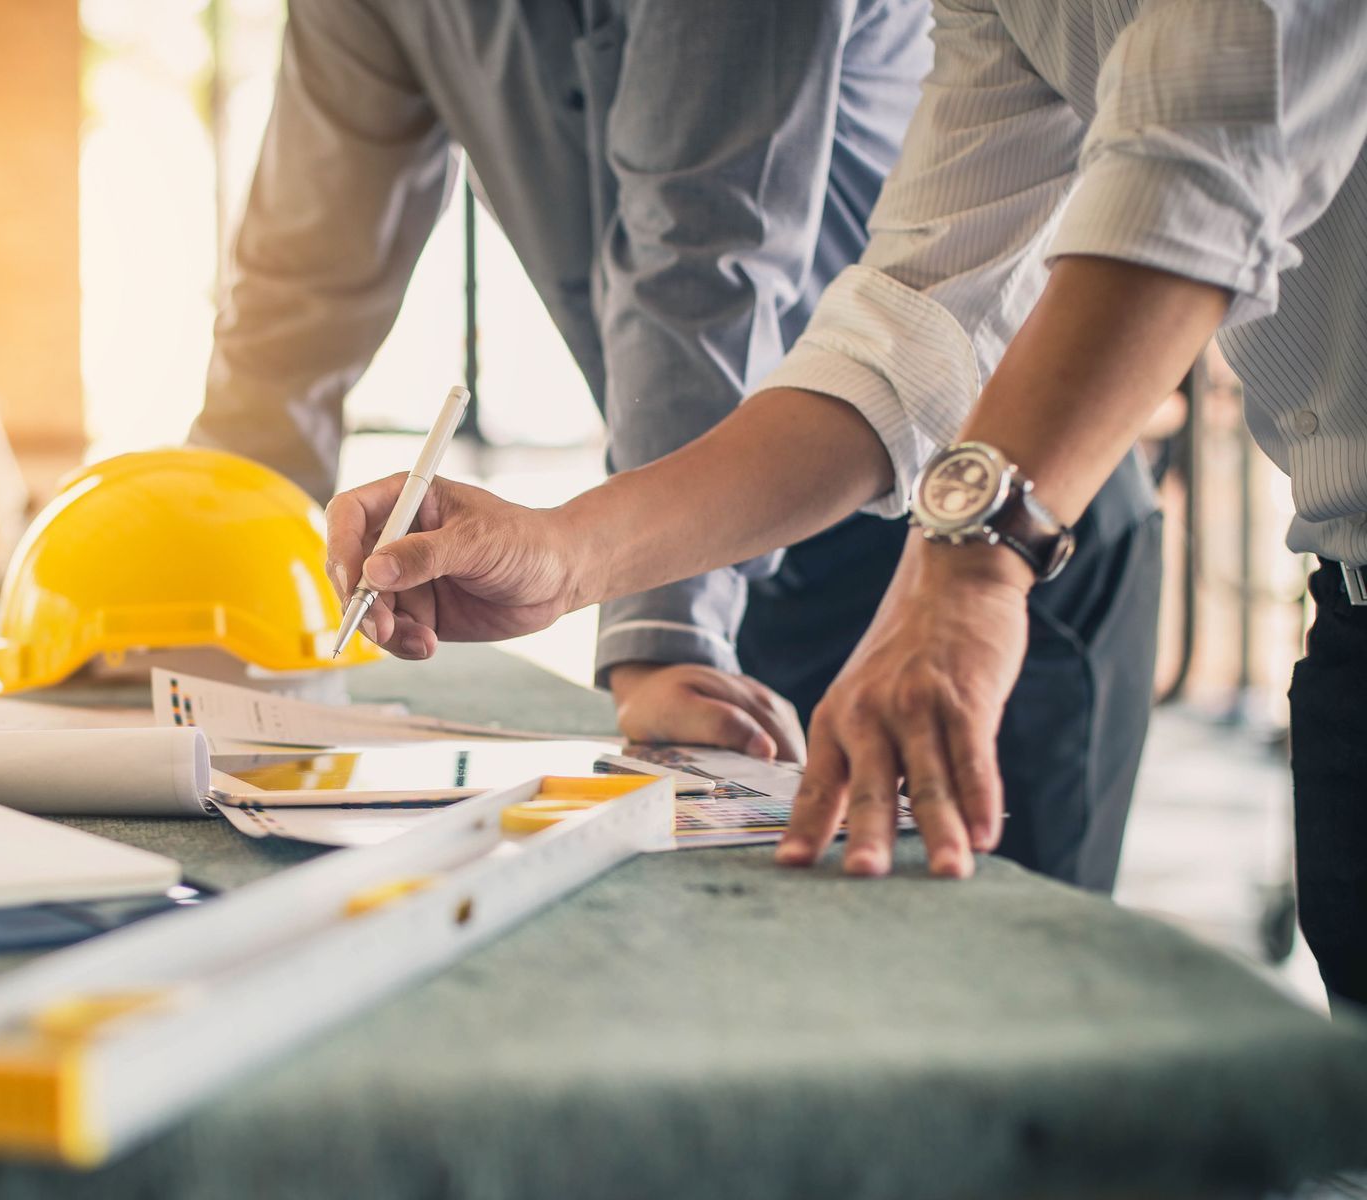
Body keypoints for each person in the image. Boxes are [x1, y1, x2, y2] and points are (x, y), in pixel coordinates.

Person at [322, 1, 1367, 1010]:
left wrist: (966, 567)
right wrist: (566, 553)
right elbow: (909, 331)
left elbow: (1203, 162)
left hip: (1061, 552)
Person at [195, 0, 1164, 892]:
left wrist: (664, 630)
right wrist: (202, 580)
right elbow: (299, 288)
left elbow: (702, 259)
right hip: (716, 523)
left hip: (989, 524)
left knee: (996, 1010)